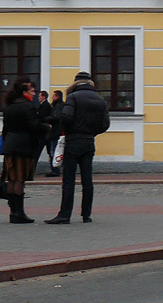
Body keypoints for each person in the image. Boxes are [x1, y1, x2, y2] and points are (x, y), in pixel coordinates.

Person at [45, 72, 110, 224]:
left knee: (69, 179)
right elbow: (105, 124)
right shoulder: (100, 100)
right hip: (89, 142)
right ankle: (86, 215)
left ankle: (65, 214)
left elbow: (66, 117)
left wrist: (67, 130)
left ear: (75, 83)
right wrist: (92, 132)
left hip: (73, 141)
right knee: (87, 179)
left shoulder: (73, 97)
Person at [0, 76, 47, 224]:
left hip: (10, 145)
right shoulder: (28, 106)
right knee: (20, 179)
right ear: (25, 92)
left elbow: (5, 128)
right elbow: (34, 125)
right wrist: (47, 127)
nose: (34, 94)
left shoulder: (9, 107)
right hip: (23, 146)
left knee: (12, 178)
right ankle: (18, 212)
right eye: (32, 91)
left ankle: (13, 211)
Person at [33, 89, 53, 177]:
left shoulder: (45, 106)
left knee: (38, 151)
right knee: (49, 151)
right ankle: (54, 168)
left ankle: (32, 169)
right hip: (45, 132)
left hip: (44, 133)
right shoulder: (44, 105)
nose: (38, 98)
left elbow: (42, 117)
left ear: (44, 97)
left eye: (40, 96)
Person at [46, 90, 64, 176]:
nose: (52, 97)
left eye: (53, 96)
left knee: (54, 151)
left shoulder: (58, 106)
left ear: (57, 96)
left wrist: (46, 119)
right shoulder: (59, 105)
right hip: (58, 132)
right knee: (56, 151)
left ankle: (55, 170)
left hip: (56, 132)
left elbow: (55, 117)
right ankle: (55, 170)